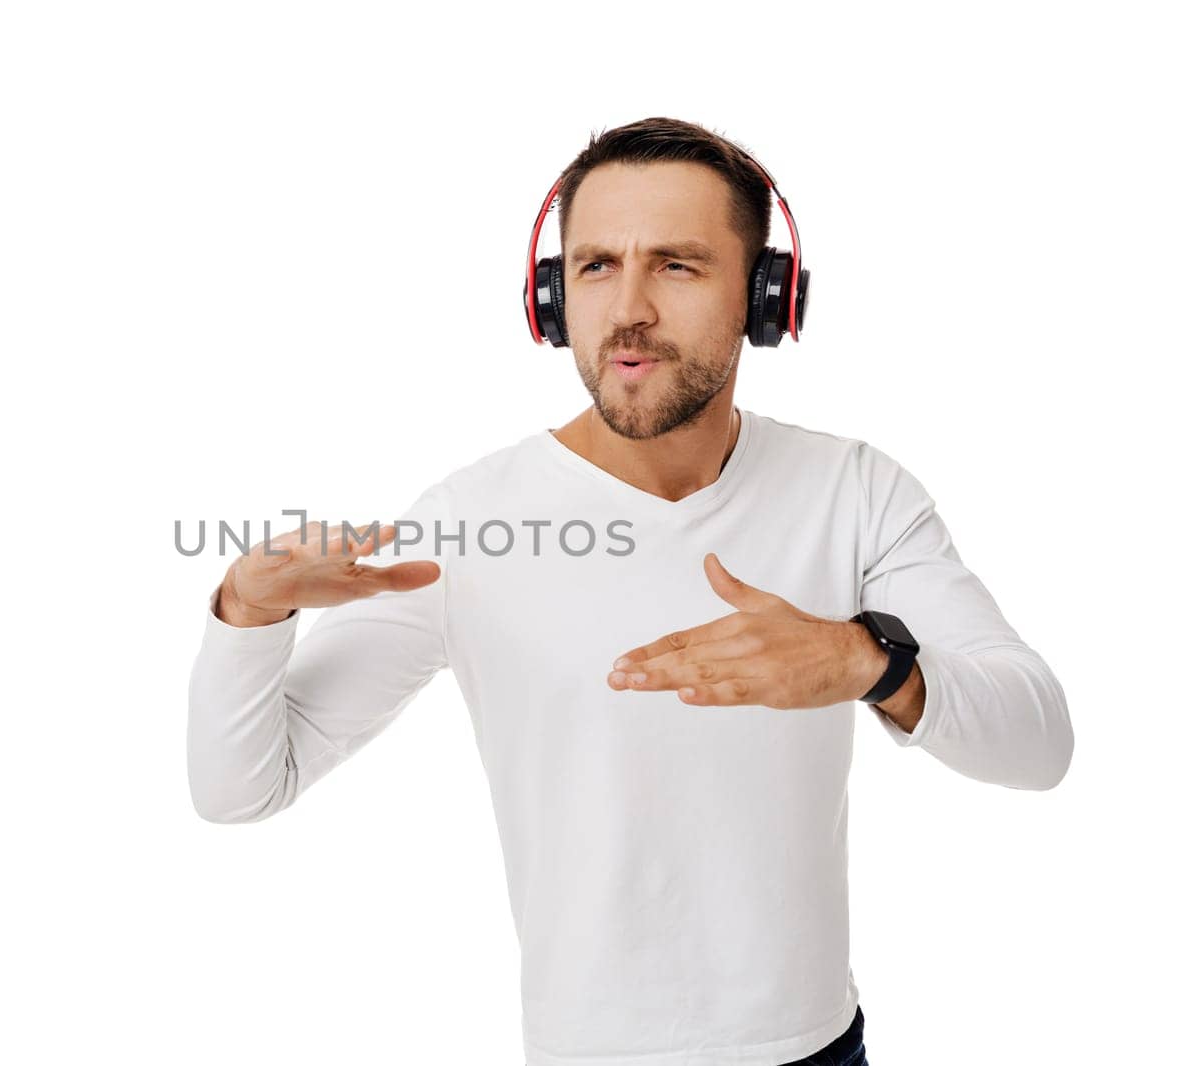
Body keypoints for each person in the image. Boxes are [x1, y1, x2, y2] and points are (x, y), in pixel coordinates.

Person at [186, 116, 1073, 1066]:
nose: (629, 309)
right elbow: (241, 788)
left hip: (815, 1048)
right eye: (598, 265)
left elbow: (1040, 745)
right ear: (553, 298)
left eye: (679, 266)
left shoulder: (855, 490)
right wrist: (249, 611)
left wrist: (869, 661)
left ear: (765, 300)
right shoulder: (473, 521)